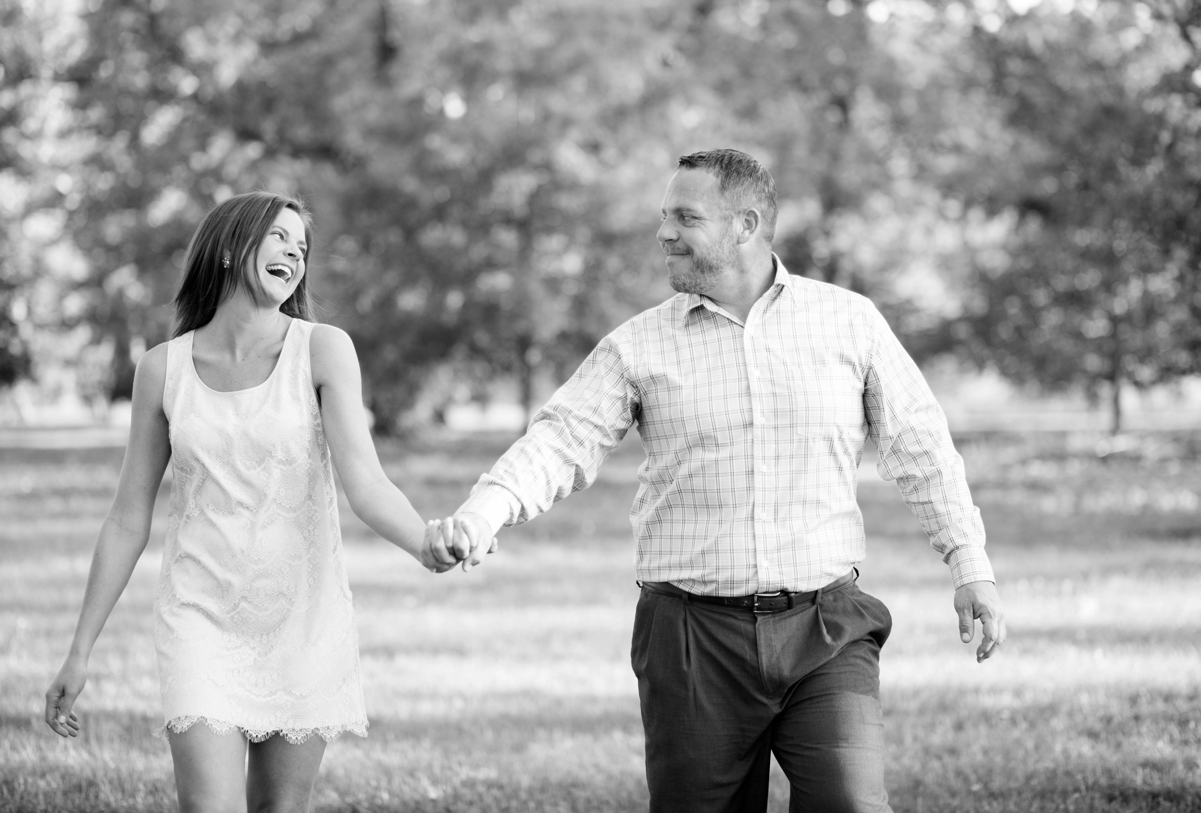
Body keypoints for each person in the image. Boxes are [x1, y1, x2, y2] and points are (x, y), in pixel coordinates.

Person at [427, 149, 1007, 812]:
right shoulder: (638, 345)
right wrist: (481, 515)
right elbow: (559, 441)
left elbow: (922, 446)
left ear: (745, 224)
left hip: (825, 628)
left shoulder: (849, 322)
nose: (663, 232)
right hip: (691, 640)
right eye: (663, 215)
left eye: (684, 216)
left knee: (852, 803)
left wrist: (971, 565)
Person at [44, 191, 460, 813]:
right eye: (280, 238)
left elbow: (365, 482)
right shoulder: (162, 371)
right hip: (199, 615)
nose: (295, 253)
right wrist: (79, 651)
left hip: (301, 617)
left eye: (302, 247)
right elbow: (129, 516)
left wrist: (423, 541)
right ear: (233, 244)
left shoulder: (322, 350)